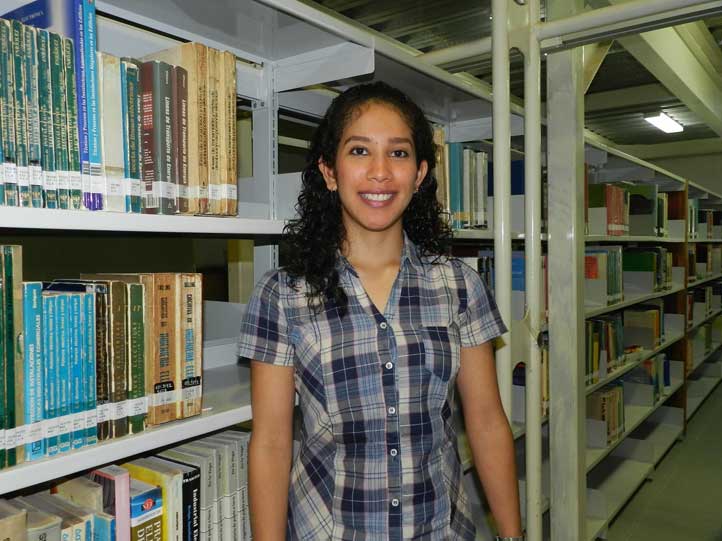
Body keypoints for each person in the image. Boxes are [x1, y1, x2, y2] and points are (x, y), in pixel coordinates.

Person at [239, 81, 523, 541]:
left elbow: (487, 421)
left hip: (441, 529)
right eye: (359, 151)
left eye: (398, 153)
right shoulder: (283, 295)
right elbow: (271, 443)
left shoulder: (460, 286)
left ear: (420, 173)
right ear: (329, 172)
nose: (380, 172)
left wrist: (512, 535)